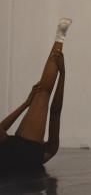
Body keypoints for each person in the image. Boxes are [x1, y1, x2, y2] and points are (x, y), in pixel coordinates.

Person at [0, 18, 71, 171]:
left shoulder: (45, 151)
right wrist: (62, 74)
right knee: (43, 93)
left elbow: (55, 113)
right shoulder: (39, 151)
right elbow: (55, 113)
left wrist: (26, 104)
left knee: (42, 93)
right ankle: (60, 36)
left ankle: (60, 35)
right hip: (23, 148)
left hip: (23, 149)